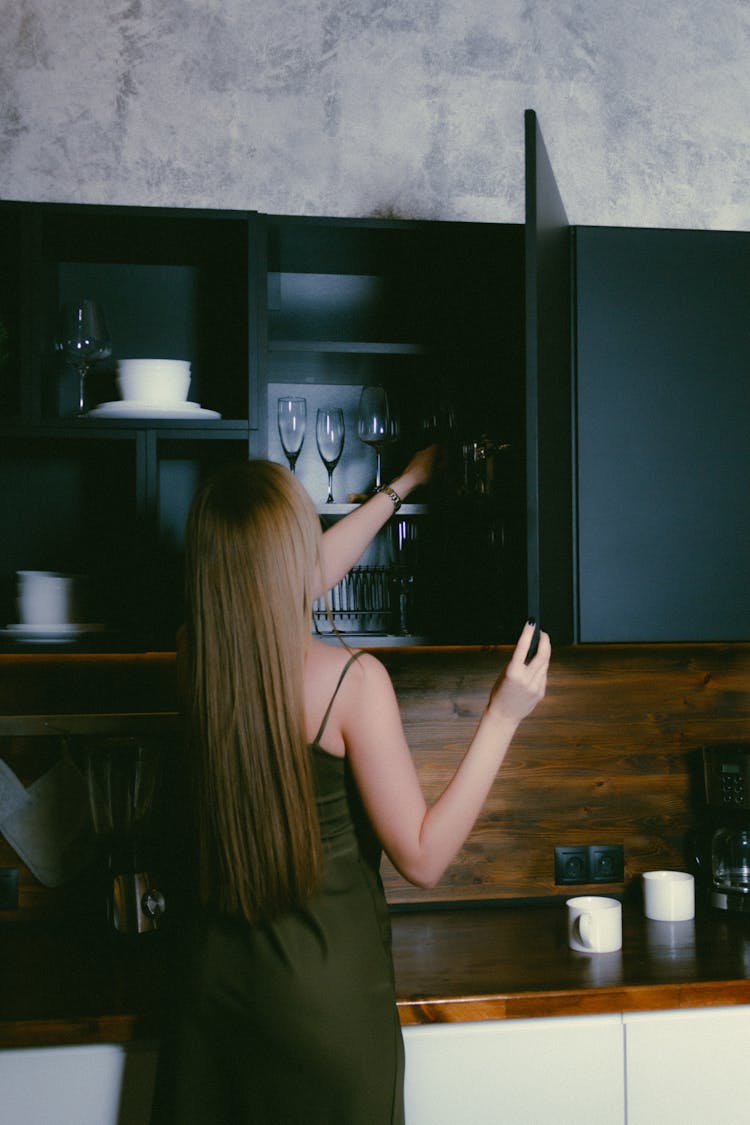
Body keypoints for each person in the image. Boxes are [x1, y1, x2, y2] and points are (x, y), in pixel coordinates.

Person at [150, 448, 550, 1125]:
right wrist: (503, 714)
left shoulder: (195, 657)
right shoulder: (352, 683)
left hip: (210, 1006)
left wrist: (405, 483)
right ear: (291, 560)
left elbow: (282, 580)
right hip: (322, 1012)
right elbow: (423, 858)